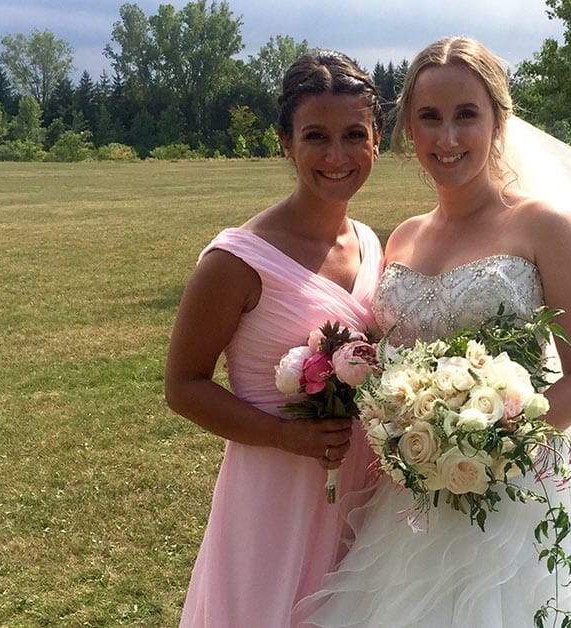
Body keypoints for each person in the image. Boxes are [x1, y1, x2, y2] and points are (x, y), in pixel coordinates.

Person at [293, 37, 571, 627]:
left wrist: (484, 445)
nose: (448, 138)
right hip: (415, 503)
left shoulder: (547, 227)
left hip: (522, 497)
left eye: (466, 115)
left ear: (499, 119)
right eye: (430, 118)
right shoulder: (403, 239)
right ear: (407, 132)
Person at [164, 50, 385, 627]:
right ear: (285, 141)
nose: (336, 155)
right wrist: (286, 438)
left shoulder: (371, 243)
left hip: (362, 488)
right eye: (316, 135)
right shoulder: (236, 260)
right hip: (273, 493)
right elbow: (183, 386)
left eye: (353, 134)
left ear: (376, 140)